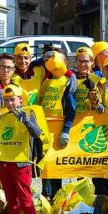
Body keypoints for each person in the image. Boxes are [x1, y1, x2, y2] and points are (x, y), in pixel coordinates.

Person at [0, 84, 46, 214]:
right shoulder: (2, 115)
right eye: (6, 100)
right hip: (4, 162)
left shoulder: (28, 112)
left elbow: (38, 133)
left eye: (12, 100)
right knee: (11, 200)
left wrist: (27, 122)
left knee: (25, 199)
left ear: (20, 99)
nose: (9, 103)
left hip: (21, 163)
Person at [38, 52, 78, 198]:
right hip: (44, 130)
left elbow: (71, 108)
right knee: (44, 166)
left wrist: (66, 130)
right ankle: (45, 197)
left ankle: (55, 198)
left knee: (55, 166)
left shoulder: (68, 82)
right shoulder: (46, 81)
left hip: (58, 130)